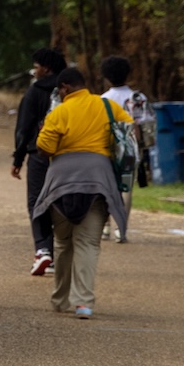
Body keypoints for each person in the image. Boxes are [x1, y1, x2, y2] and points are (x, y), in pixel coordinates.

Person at [32, 67, 131, 320]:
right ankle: (83, 304)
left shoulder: (59, 112)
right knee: (87, 243)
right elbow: (129, 134)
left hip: (61, 181)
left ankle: (60, 299)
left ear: (65, 88)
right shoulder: (108, 107)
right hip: (98, 181)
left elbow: (45, 147)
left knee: (63, 242)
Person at [10, 47, 66, 276]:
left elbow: (23, 129)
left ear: (46, 68)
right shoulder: (69, 91)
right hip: (67, 156)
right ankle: (64, 250)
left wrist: (18, 158)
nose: (34, 70)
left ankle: (43, 250)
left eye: (36, 66)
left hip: (39, 154)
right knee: (60, 201)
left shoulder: (34, 92)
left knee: (37, 200)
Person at [99, 55, 151, 241]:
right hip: (131, 147)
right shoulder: (138, 98)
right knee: (126, 187)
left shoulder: (103, 99)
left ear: (106, 76)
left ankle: (105, 226)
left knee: (107, 186)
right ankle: (122, 229)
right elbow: (147, 122)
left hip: (108, 147)